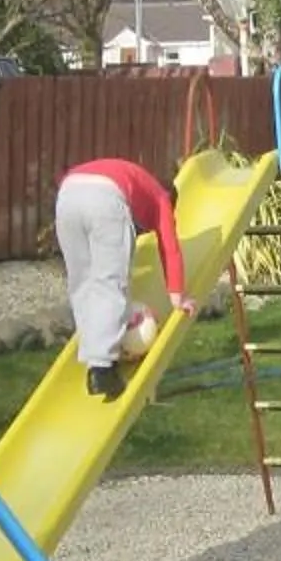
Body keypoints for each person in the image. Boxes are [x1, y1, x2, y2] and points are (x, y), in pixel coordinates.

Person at [54, 156, 196, 400]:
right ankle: (102, 369)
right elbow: (170, 247)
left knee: (83, 282)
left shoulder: (136, 178)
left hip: (68, 194)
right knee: (111, 281)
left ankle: (93, 351)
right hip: (107, 199)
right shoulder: (161, 197)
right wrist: (178, 298)